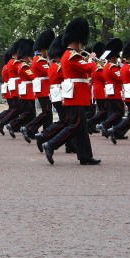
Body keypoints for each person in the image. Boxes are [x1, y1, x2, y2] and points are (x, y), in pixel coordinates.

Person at [41, 17, 100, 165]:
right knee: (75, 125)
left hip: (77, 93)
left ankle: (85, 156)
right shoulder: (72, 55)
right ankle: (51, 144)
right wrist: (92, 60)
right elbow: (88, 69)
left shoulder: (71, 55)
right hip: (76, 95)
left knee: (81, 126)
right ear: (78, 40)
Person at [21, 30, 54, 142]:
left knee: (47, 113)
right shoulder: (40, 60)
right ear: (44, 49)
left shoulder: (38, 59)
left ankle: (46, 134)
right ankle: (29, 127)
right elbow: (49, 73)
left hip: (43, 88)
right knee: (46, 112)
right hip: (44, 89)